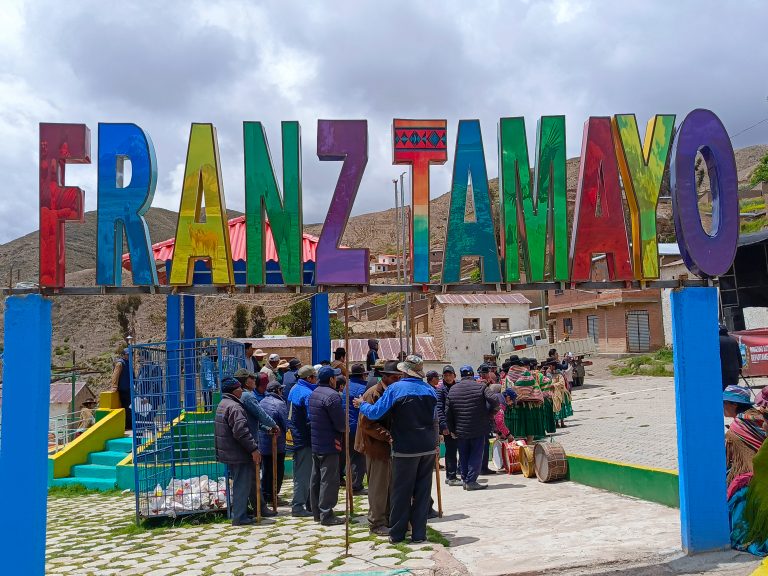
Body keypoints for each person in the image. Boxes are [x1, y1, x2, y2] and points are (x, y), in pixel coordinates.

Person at [354, 354, 437, 544]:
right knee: (423, 492)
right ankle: (419, 534)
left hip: (405, 448)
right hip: (427, 446)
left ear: (404, 371)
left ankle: (397, 534)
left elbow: (376, 412)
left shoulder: (395, 389)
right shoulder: (430, 390)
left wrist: (362, 405)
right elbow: (434, 419)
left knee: (401, 491)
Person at [355, 360, 401, 535]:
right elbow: (367, 424)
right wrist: (388, 436)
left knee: (389, 485)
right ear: (387, 377)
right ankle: (376, 522)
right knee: (378, 487)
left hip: (387, 448)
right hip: (375, 447)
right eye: (396, 377)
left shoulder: (390, 392)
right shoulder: (373, 394)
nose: (398, 381)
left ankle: (387, 518)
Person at [214, 377, 262, 526]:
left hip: (228, 450)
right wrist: (253, 448)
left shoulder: (223, 404)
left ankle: (240, 513)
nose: (242, 390)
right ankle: (240, 517)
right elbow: (241, 432)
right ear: (235, 390)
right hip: (238, 452)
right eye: (240, 388)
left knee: (239, 482)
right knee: (242, 484)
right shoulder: (235, 407)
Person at [446, 365, 499, 490]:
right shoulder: (481, 387)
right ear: (472, 374)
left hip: (461, 429)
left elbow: (448, 412)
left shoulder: (453, 389)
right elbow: (495, 400)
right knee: (476, 454)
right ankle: (471, 481)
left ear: (460, 375)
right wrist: (490, 414)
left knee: (463, 455)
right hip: (478, 428)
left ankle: (465, 479)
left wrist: (452, 429)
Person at [237, 368, 278, 517]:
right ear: (245, 382)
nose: (254, 381)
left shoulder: (242, 396)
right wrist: (273, 425)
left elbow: (253, 419)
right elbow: (260, 414)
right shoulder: (248, 396)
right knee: (254, 476)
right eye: (251, 379)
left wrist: (267, 428)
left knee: (249, 477)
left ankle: (253, 506)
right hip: (250, 440)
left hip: (244, 437)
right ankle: (260, 507)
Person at [309, 366, 346, 526]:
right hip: (330, 443)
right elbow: (340, 423)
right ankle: (327, 514)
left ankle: (317, 512)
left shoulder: (314, 393)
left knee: (316, 478)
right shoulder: (332, 396)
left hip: (316, 442)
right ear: (331, 379)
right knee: (329, 480)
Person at [287, 365, 318, 517]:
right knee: (303, 474)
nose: (316, 379)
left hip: (295, 436)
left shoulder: (294, 389)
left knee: (302, 472)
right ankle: (298, 506)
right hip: (303, 438)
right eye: (315, 377)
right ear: (309, 378)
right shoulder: (307, 393)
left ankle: (307, 503)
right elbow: (311, 417)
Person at [724, 385, 766, 486]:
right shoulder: (759, 416)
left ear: (734, 404)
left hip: (753, 479)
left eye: (724, 402)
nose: (722, 406)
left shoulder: (738, 425)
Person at [260, 381, 288, 508]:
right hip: (277, 442)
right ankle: (273, 495)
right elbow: (285, 423)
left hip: (263, 442)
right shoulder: (280, 403)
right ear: (277, 390)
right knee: (277, 470)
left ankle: (266, 494)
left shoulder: (261, 402)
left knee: (266, 469)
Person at [342, 363, 369, 494]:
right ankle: (356, 486)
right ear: (363, 375)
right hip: (358, 427)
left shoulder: (346, 387)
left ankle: (352, 483)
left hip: (346, 425)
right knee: (359, 457)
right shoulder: (363, 388)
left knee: (352, 456)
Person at [437, 365, 462, 487]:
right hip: (448, 426)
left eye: (450, 375)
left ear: (454, 376)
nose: (448, 377)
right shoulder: (441, 390)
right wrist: (443, 426)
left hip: (460, 424)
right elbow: (439, 409)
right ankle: (451, 476)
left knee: (461, 450)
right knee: (451, 451)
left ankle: (457, 473)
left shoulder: (458, 387)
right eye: (445, 375)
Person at [110, 348, 132, 430]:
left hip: (129, 388)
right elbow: (115, 375)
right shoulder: (120, 363)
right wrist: (114, 386)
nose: (130, 356)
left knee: (129, 407)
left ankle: (130, 424)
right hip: (123, 389)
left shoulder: (128, 363)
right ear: (124, 355)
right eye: (128, 354)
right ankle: (127, 425)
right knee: (126, 407)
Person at [720, 325, 743, 390]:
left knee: (725, 389)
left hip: (723, 370)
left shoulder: (716, 341)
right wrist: (740, 367)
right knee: (733, 388)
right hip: (734, 370)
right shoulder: (733, 340)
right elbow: (738, 354)